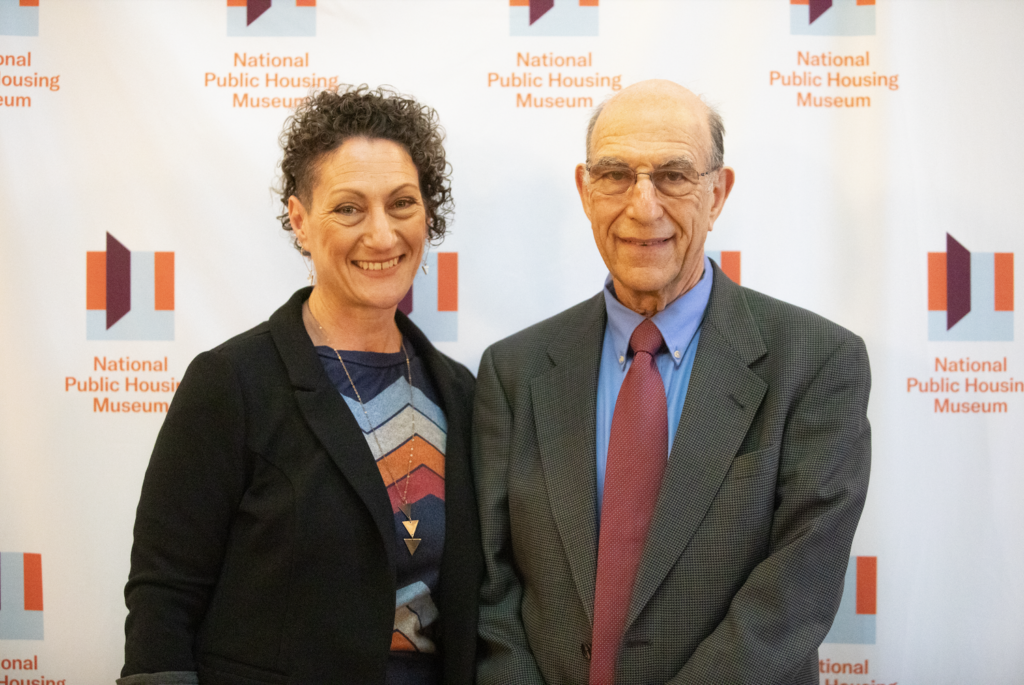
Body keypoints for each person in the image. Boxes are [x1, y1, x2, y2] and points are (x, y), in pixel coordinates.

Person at [473, 79, 871, 685]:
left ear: (718, 193)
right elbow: (494, 589)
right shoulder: (514, 370)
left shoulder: (816, 363)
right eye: (614, 174)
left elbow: (791, 599)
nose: (643, 205)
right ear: (585, 191)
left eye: (673, 175)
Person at [120, 86, 481, 685]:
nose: (383, 235)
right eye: (349, 208)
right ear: (300, 221)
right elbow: (164, 597)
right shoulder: (232, 384)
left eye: (402, 204)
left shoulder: (463, 395)